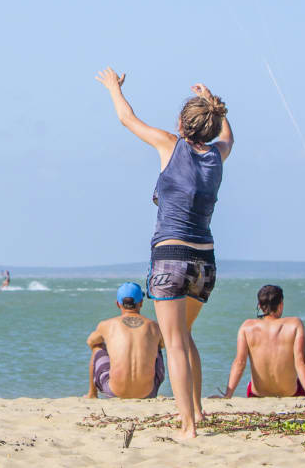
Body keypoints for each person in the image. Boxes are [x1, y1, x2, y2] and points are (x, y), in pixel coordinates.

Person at [97, 69, 233, 439]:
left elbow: (127, 119)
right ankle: (199, 411)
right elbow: (227, 137)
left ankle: (188, 425)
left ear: (182, 124)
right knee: (185, 335)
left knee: (173, 343)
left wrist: (113, 88)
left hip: (171, 254)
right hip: (205, 260)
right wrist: (213, 102)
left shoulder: (170, 145)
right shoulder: (217, 157)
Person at [222, 285, 305, 397]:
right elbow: (301, 362)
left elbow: (240, 363)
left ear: (260, 306)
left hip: (258, 394)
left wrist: (228, 395)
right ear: (281, 304)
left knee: (250, 384)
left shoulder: (246, 327)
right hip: (290, 394)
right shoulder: (294, 324)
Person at [86, 282, 165, 399]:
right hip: (148, 392)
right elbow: (163, 344)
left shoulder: (107, 325)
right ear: (141, 303)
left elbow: (90, 342)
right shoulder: (154, 326)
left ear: (118, 304)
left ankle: (92, 394)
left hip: (115, 392)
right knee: (157, 348)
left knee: (97, 346)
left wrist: (113, 348)